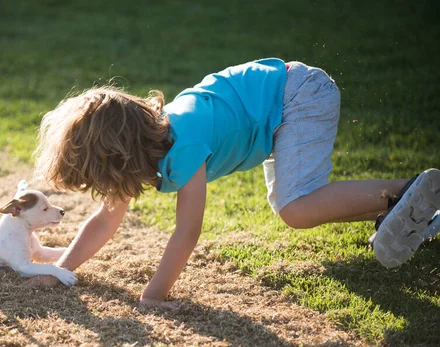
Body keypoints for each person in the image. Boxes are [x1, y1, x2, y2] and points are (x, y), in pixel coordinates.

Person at [32, 58, 440, 306]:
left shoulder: (182, 144)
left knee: (296, 207)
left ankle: (410, 190)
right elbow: (105, 221)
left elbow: (187, 232)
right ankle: (404, 209)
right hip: (280, 101)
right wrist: (61, 270)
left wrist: (153, 294)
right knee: (293, 206)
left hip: (297, 95)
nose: (101, 189)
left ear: (118, 159)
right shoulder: (150, 146)